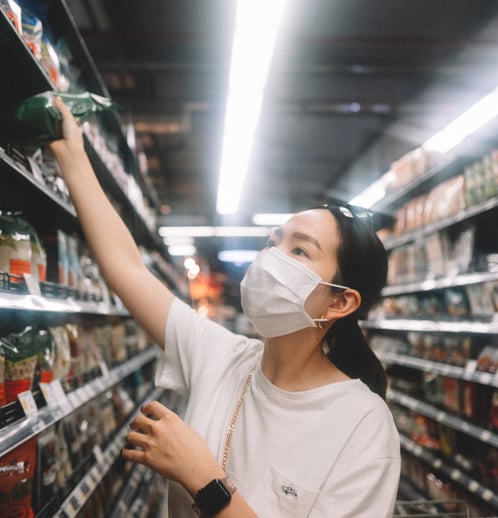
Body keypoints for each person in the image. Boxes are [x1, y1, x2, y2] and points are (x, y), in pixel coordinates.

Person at [49, 98, 401, 517]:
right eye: (275, 242)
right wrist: (70, 151)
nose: (272, 257)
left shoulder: (363, 426)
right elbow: (126, 267)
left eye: (300, 251)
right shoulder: (223, 357)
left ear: (341, 301)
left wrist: (203, 479)